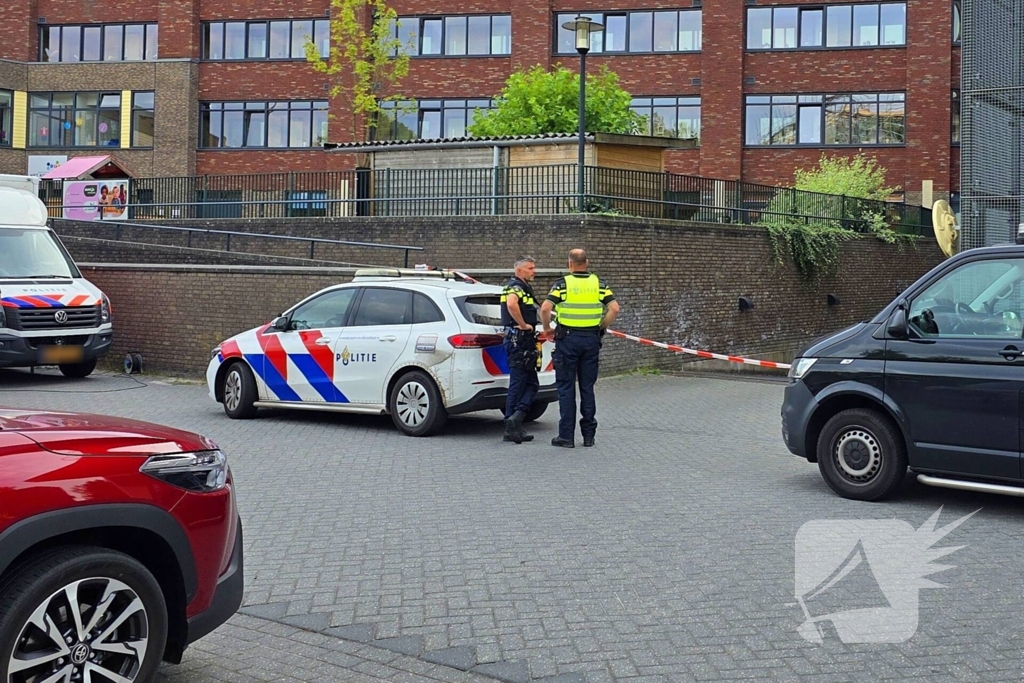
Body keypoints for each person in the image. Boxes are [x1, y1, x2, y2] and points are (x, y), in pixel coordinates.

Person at [540, 249, 620, 448]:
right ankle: (588, 436)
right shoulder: (599, 284)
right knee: (587, 387)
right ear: (587, 262)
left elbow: (545, 308)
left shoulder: (563, 284)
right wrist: (601, 327)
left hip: (568, 340)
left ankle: (566, 437)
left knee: (566, 387)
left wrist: (547, 328)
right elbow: (614, 308)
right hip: (591, 340)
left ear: (570, 264)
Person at [500, 256, 541, 444]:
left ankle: (515, 422)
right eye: (530, 268)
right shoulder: (515, 287)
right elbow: (511, 303)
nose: (534, 271)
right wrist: (523, 325)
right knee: (519, 384)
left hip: (523, 341)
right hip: (519, 341)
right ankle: (512, 423)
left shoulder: (523, 287)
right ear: (519, 270)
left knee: (529, 383)